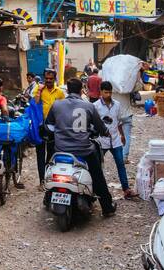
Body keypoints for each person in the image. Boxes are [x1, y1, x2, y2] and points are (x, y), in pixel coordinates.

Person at [46, 79, 115, 217]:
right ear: (81, 90)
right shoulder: (88, 106)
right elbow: (100, 127)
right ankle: (107, 207)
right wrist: (105, 132)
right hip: (83, 150)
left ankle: (47, 198)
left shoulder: (57, 105)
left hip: (61, 149)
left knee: (49, 165)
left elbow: (49, 124)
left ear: (67, 90)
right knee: (98, 176)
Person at [94, 83, 136, 198]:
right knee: (98, 166)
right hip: (101, 141)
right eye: (106, 92)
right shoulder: (95, 106)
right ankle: (97, 190)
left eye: (110, 92)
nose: (108, 95)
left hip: (115, 139)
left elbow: (119, 122)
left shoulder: (117, 105)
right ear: (101, 92)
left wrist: (122, 135)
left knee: (120, 164)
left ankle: (126, 189)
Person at [31, 68, 66, 179]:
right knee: (40, 154)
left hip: (54, 127)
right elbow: (35, 103)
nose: (48, 80)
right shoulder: (39, 89)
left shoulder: (60, 92)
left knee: (51, 154)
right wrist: (40, 91)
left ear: (54, 79)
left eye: (51, 78)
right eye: (46, 78)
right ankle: (41, 180)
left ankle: (48, 178)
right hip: (40, 126)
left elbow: (63, 109)